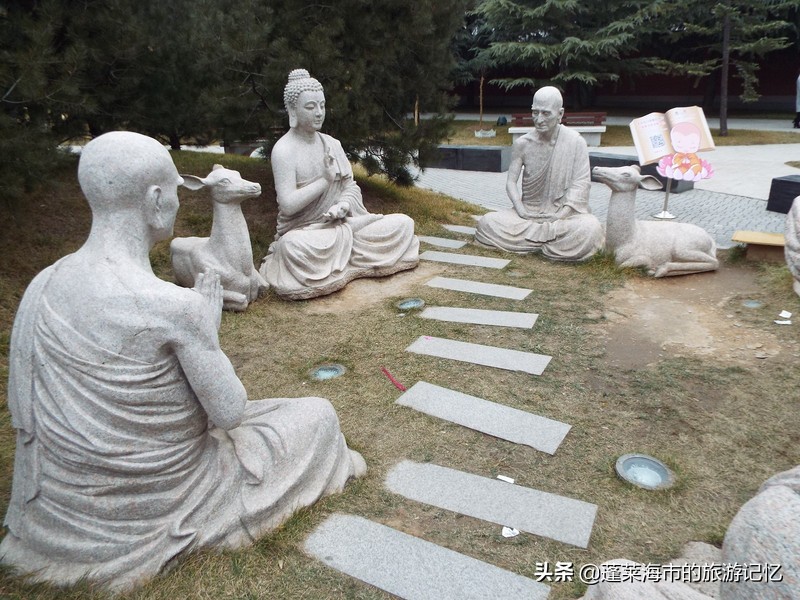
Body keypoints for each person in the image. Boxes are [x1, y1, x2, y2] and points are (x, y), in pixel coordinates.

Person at [0, 131, 365, 591]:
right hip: (166, 496)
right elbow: (229, 412)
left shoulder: (43, 285)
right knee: (317, 414)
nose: (176, 201)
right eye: (174, 190)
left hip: (56, 510)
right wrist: (204, 331)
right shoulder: (170, 304)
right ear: (155, 200)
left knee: (273, 411)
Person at [259, 69, 419, 299]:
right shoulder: (284, 150)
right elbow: (288, 206)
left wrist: (343, 205)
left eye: (322, 106)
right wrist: (324, 181)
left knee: (403, 223)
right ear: (293, 110)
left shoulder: (332, 144)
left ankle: (346, 254)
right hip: (308, 233)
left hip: (344, 224)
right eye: (310, 107)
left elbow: (350, 187)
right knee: (291, 247)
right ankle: (345, 253)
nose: (319, 113)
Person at [475, 86, 603, 261]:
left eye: (546, 113)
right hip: (527, 214)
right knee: (487, 222)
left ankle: (536, 242)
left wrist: (561, 214)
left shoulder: (575, 142)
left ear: (560, 114)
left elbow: (581, 184)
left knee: (591, 228)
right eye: (535, 112)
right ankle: (548, 244)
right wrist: (520, 209)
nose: (539, 119)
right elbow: (511, 182)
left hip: (563, 216)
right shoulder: (523, 143)